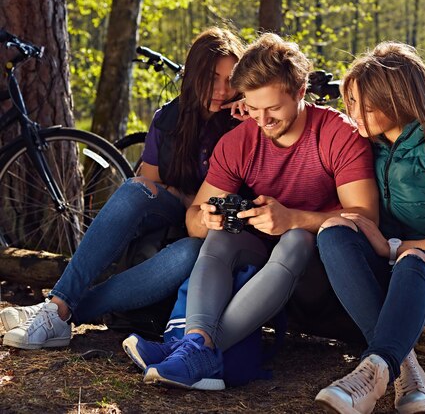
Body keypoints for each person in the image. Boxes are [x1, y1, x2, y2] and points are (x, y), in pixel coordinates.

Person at [122, 33, 379, 391]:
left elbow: (366, 219)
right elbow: (194, 218)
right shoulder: (240, 140)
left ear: (301, 91)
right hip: (262, 274)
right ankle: (196, 346)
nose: (262, 120)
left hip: (322, 276)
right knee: (221, 233)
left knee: (295, 239)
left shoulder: (338, 135)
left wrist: (294, 218)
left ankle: (185, 350)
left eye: (272, 109)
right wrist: (205, 218)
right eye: (253, 109)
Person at [1, 27, 246, 350]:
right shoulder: (167, 119)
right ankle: (58, 306)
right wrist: (183, 198)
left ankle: (55, 313)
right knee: (134, 189)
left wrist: (250, 123)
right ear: (195, 73)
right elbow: (153, 183)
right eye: (213, 77)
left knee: (190, 253)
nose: (222, 89)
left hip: (215, 230)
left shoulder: (245, 120)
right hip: (173, 213)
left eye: (231, 79)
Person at [313, 42, 425, 414]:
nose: (353, 114)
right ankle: (405, 367)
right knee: (334, 231)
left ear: (396, 100)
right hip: (399, 276)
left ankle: (371, 373)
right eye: (349, 103)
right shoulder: (367, 146)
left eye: (364, 105)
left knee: (413, 258)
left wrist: (392, 248)